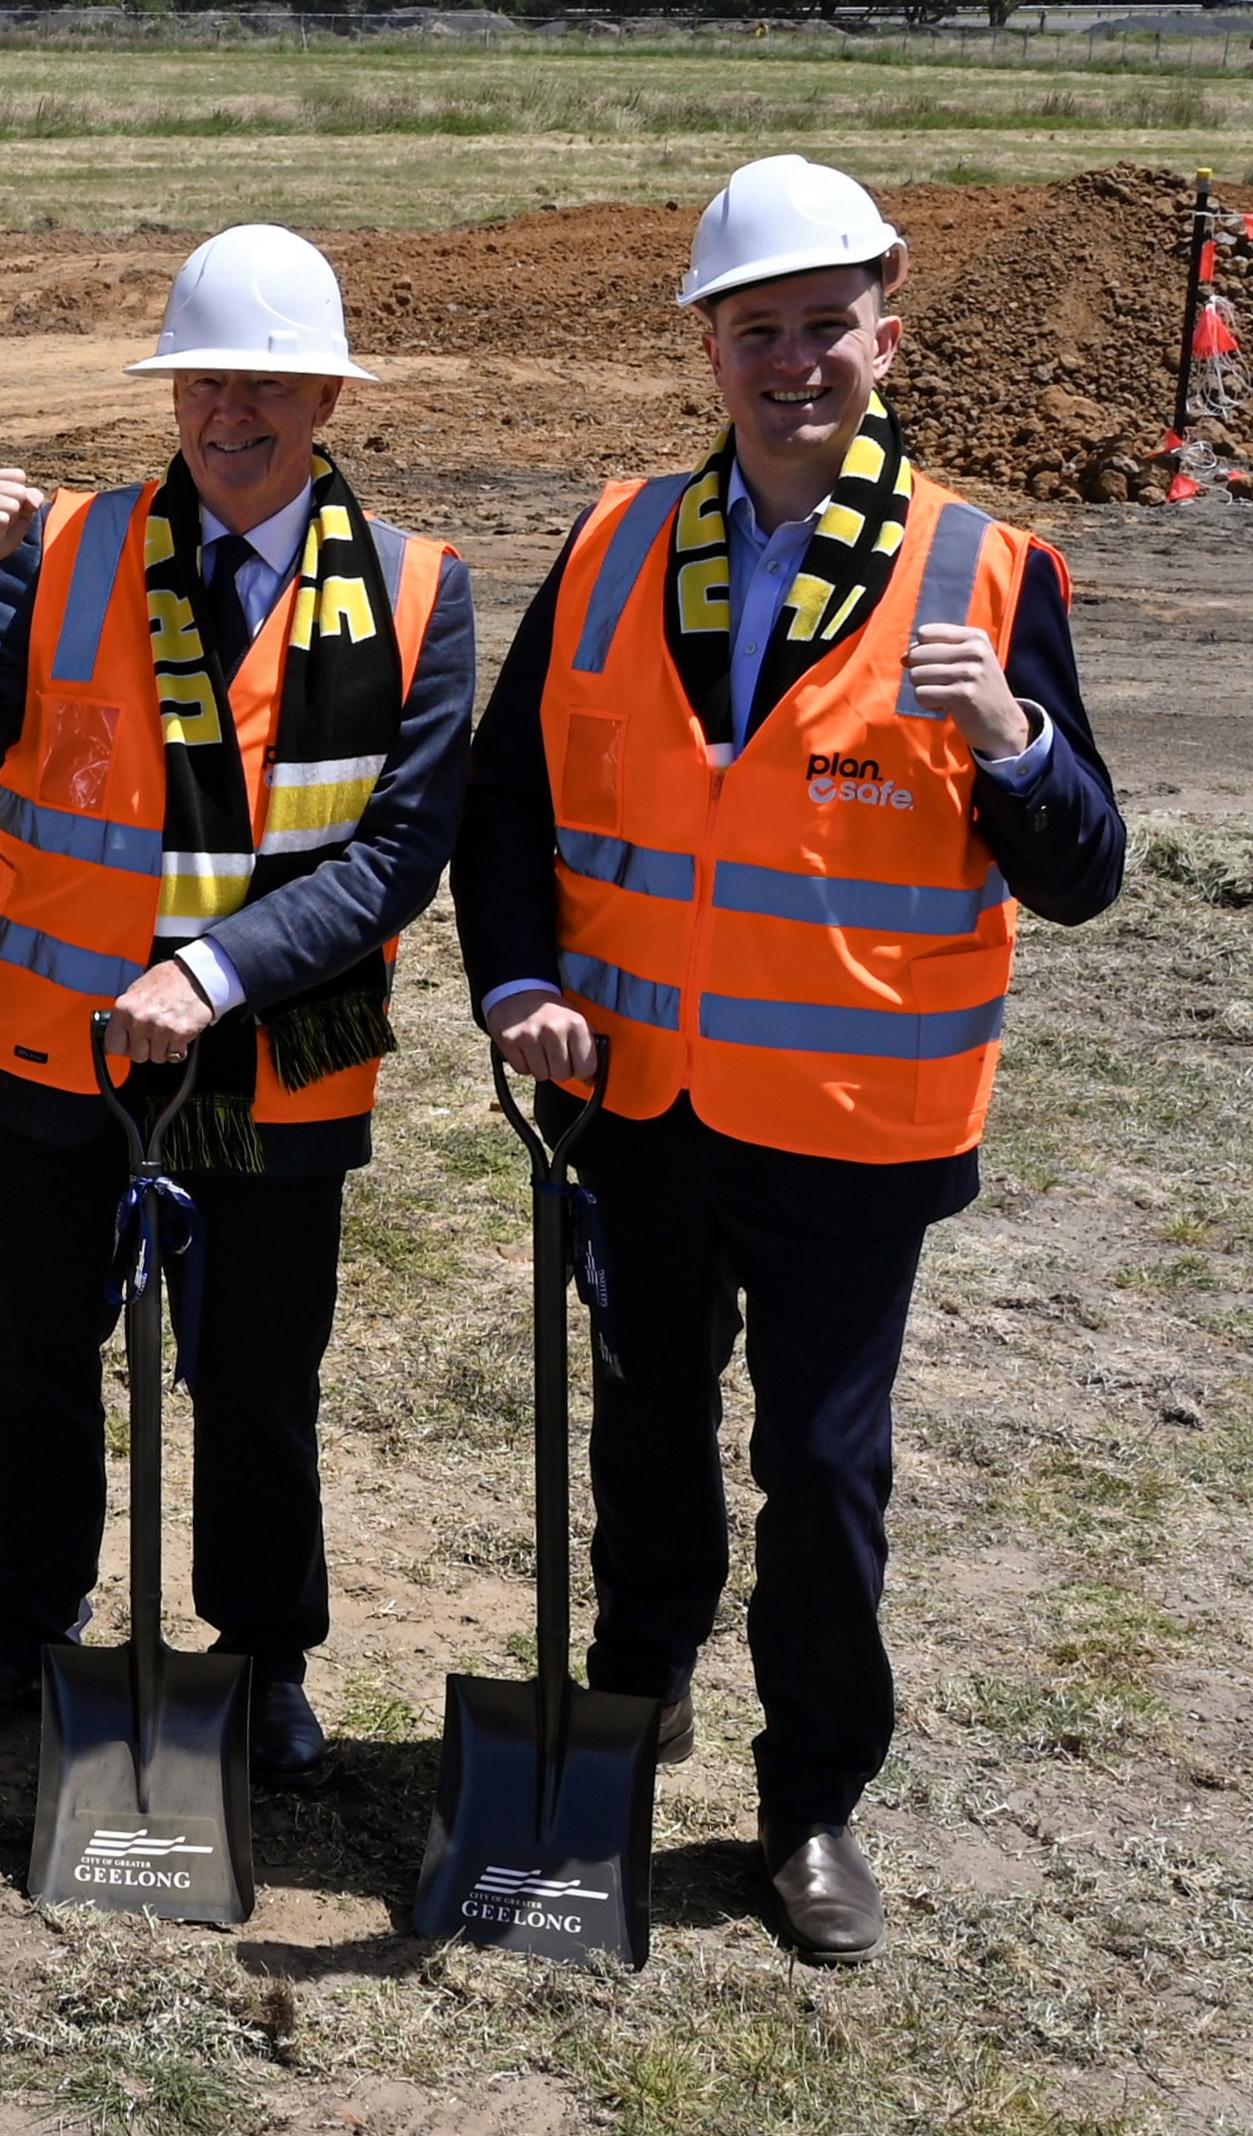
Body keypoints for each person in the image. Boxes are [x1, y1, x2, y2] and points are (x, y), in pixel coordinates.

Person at [456, 155, 1127, 1961]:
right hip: (641, 1104)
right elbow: (506, 803)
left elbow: (1084, 872)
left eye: (827, 327)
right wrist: (515, 976)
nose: (793, 362)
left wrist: (1013, 738)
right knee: (648, 1430)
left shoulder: (982, 569)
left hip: (852, 1127)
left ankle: (814, 1800)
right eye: (758, 329)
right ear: (708, 349)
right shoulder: (612, 547)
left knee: (825, 1477)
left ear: (884, 339)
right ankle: (632, 1702)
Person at [0, 225, 476, 1782]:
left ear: (330, 397)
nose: (233, 411)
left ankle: (264, 1653)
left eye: (270, 381)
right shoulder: (67, 550)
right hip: (44, 1049)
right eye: (207, 378)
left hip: (275, 1059)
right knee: (34, 1352)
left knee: (262, 1376)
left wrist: (209, 975)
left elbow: (400, 857)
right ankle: (29, 1626)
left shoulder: (420, 594)